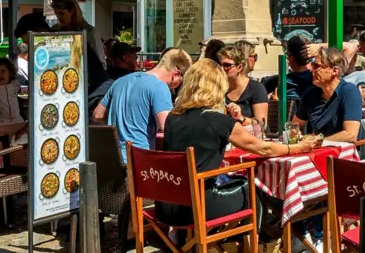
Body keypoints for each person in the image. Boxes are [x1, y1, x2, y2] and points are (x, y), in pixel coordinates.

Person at [158, 60, 321, 229]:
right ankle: (257, 248)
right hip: (198, 207)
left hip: (167, 206)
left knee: (233, 182)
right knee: (254, 188)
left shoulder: (173, 117)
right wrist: (297, 147)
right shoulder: (217, 121)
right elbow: (263, 148)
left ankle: (218, 245)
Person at [103, 48, 188, 154]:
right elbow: (167, 126)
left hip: (114, 156)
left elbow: (97, 115)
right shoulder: (159, 86)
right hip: (140, 159)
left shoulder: (119, 82)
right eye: (182, 80)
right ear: (177, 73)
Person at [298, 46, 365, 144]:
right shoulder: (310, 94)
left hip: (344, 153)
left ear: (334, 71)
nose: (311, 70)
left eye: (316, 66)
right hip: (317, 151)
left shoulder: (349, 91)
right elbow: (295, 125)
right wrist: (296, 135)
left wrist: (318, 141)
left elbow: (351, 135)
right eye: (312, 65)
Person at [219, 41, 269, 125]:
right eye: (220, 65)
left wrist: (241, 118)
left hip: (249, 135)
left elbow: (262, 123)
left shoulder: (256, 88)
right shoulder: (218, 88)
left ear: (239, 67)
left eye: (227, 65)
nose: (221, 68)